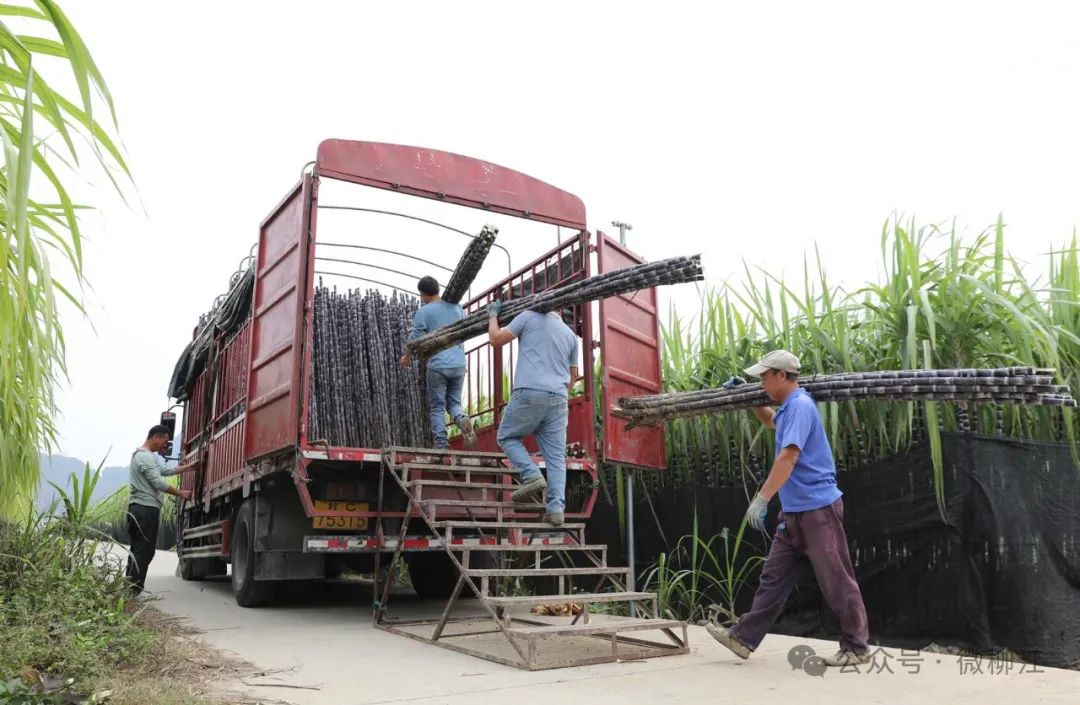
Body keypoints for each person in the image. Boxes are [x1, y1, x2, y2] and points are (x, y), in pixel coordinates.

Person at [706, 350, 871, 667]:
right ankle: (743, 638)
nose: (762, 383)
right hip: (794, 513)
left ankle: (856, 647)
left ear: (781, 375)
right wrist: (750, 399)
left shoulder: (800, 406)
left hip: (818, 510)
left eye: (764, 377)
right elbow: (771, 422)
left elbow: (789, 456)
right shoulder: (788, 409)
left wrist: (762, 498)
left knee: (836, 579)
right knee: (774, 578)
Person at [486, 301, 580, 526]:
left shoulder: (527, 316)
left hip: (529, 391)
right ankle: (556, 510)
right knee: (556, 457)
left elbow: (495, 340)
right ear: (559, 310)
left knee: (507, 437)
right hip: (559, 398)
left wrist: (492, 315)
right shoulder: (570, 336)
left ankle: (531, 475)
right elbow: (574, 376)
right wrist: (559, 395)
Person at [400, 276, 476, 449]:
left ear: (424, 294)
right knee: (454, 403)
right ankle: (462, 419)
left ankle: (441, 444)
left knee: (437, 406)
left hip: (438, 365)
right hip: (458, 363)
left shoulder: (424, 312)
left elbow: (416, 337)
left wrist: (407, 356)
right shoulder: (457, 308)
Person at [126, 424, 192, 594]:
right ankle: (133, 590)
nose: (165, 445)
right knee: (144, 551)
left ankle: (130, 587)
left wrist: (187, 467)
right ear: (156, 437)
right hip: (145, 509)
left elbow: (164, 471)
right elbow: (158, 482)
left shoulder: (147, 457)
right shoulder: (144, 457)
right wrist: (181, 493)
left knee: (138, 549)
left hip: (139, 509)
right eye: (165, 441)